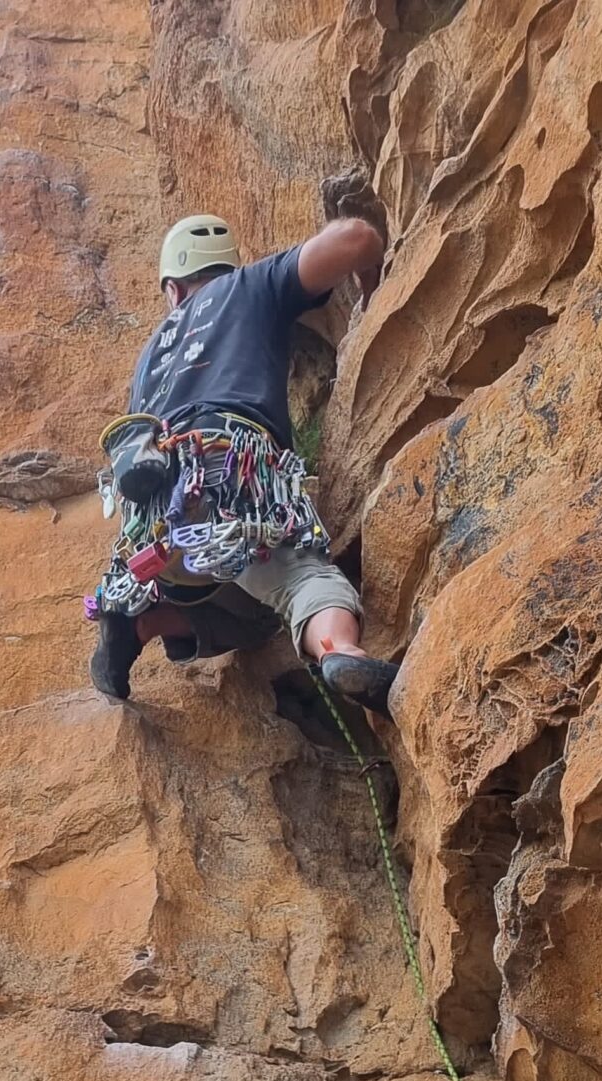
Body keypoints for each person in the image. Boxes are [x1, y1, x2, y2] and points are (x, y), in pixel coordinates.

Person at [88, 210, 399, 713]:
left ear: (172, 289)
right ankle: (340, 651)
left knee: (251, 617)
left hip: (153, 524)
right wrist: (372, 285)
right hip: (233, 473)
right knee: (301, 580)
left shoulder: (148, 358)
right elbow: (355, 239)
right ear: (228, 266)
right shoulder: (249, 286)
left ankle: (138, 622)